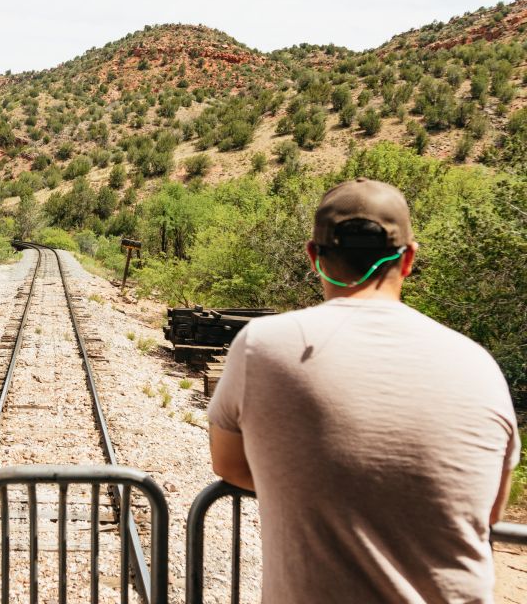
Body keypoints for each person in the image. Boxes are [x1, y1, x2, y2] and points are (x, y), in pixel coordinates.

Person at [207, 178, 520, 603]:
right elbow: (487, 511)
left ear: (314, 255)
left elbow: (230, 465)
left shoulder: (263, 345)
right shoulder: (479, 364)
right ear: (408, 259)